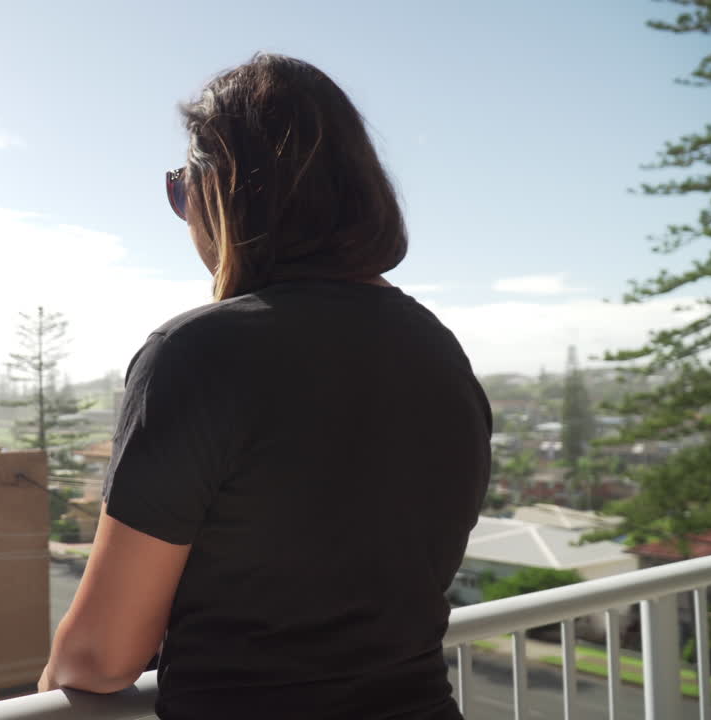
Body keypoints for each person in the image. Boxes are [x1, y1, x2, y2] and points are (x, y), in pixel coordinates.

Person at [39, 53, 490, 720]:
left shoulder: (198, 354)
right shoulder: (438, 351)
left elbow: (99, 659)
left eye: (182, 190)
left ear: (223, 191)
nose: (185, 215)